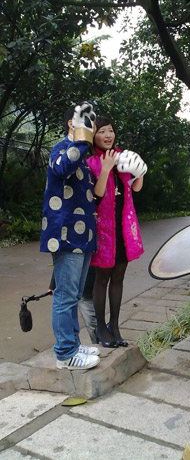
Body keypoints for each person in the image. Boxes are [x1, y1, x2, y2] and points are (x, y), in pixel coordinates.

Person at [40, 103, 100, 370]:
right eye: (87, 121)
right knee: (65, 295)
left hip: (83, 234)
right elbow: (61, 168)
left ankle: (73, 344)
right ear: (71, 123)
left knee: (74, 294)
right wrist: (83, 141)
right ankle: (65, 354)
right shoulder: (62, 149)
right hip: (65, 234)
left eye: (93, 123)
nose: (92, 127)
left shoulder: (82, 156)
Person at [87, 116, 146, 347]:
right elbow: (97, 195)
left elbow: (136, 188)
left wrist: (140, 171)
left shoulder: (124, 157)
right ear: (93, 136)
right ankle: (100, 327)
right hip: (104, 230)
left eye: (110, 130)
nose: (108, 135)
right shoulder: (91, 162)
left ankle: (115, 325)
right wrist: (105, 169)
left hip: (123, 228)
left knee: (119, 277)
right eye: (102, 131)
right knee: (102, 278)